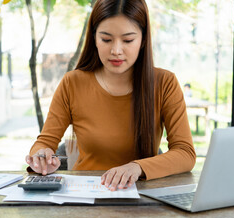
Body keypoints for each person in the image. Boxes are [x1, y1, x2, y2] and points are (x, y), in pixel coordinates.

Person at [25, 0, 196, 191]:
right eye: (106, 39)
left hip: (144, 197)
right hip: (84, 196)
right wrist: (41, 156)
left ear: (143, 40)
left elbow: (185, 153)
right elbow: (44, 142)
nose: (116, 50)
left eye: (128, 40)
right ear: (94, 38)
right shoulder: (72, 83)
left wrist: (137, 167)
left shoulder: (165, 83)